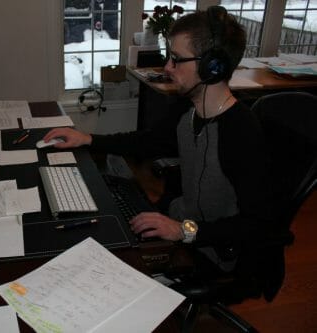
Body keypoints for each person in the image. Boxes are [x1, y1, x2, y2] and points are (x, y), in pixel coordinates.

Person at [43, 6, 278, 274]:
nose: (167, 67)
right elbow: (146, 141)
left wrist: (182, 230)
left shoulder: (241, 131)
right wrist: (87, 139)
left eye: (177, 59)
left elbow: (259, 223)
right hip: (181, 224)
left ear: (212, 67)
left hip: (215, 249)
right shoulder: (188, 110)